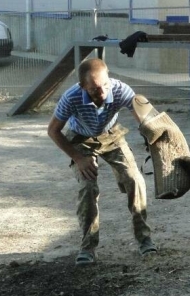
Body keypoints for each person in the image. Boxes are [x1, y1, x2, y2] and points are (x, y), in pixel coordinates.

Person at [47, 58, 157, 265]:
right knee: (88, 187)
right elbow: (53, 130)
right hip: (80, 139)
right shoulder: (71, 97)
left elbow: (145, 118)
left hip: (112, 135)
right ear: (82, 86)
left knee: (135, 180)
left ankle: (144, 239)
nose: (103, 93)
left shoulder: (120, 90)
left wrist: (154, 137)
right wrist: (78, 158)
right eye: (96, 89)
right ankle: (88, 247)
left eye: (106, 85)